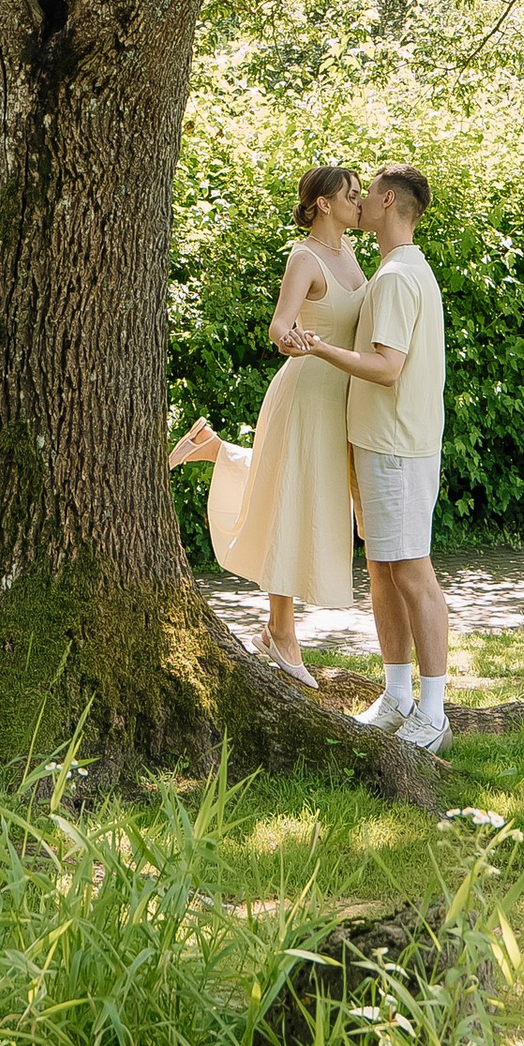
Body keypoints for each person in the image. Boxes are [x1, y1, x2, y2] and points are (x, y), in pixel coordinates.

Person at [168, 163, 366, 684]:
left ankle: (213, 449)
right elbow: (280, 324)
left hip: (340, 397)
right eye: (350, 194)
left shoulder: (350, 252)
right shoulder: (305, 256)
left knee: (309, 494)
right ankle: (280, 630)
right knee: (290, 498)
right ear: (324, 203)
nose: (359, 201)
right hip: (304, 393)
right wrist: (291, 338)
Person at [291, 165, 448, 753]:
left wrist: (321, 348)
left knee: (410, 569)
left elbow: (387, 368)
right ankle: (398, 697)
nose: (357, 202)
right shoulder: (398, 271)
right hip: (381, 442)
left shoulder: (397, 278)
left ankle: (432, 712)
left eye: (365, 194)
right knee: (383, 570)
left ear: (387, 201)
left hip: (397, 446)